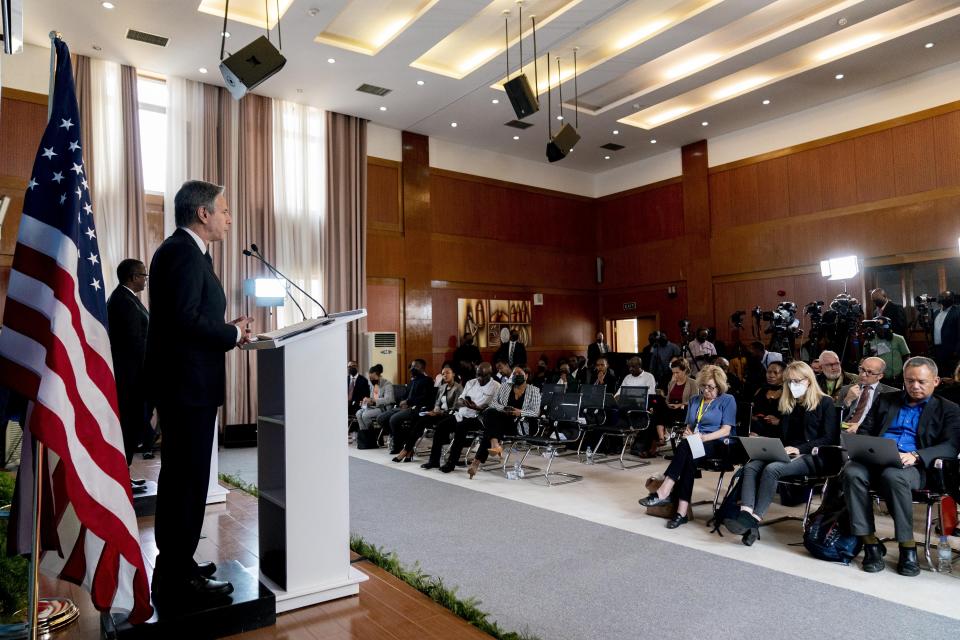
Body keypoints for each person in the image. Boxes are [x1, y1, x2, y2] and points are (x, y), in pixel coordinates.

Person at [147, 180, 253, 601]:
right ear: (203, 214)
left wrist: (230, 330)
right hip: (186, 386)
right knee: (185, 482)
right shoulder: (183, 255)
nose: (229, 218)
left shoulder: (187, 253)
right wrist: (231, 332)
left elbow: (189, 316)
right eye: (224, 210)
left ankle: (178, 563)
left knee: (185, 479)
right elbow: (185, 322)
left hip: (188, 385)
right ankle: (176, 576)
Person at [842, 356, 960, 576]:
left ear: (935, 381)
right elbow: (866, 431)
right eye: (909, 381)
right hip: (877, 459)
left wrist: (916, 455)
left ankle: (907, 546)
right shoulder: (886, 400)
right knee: (851, 472)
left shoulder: (949, 409)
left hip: (916, 467)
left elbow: (951, 446)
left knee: (893, 476)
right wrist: (865, 448)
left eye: (921, 382)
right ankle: (870, 544)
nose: (914, 386)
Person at [724, 361, 839, 545]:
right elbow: (782, 434)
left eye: (796, 381)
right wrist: (762, 438)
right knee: (751, 466)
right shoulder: (789, 404)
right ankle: (746, 513)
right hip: (787, 451)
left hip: (812, 455)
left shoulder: (825, 402)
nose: (792, 386)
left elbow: (829, 438)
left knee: (772, 469)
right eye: (788, 382)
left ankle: (755, 519)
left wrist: (800, 449)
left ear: (808, 381)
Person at [639, 365, 737, 528]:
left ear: (719, 386)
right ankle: (681, 512)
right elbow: (690, 426)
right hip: (694, 444)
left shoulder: (727, 400)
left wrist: (703, 437)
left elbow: (726, 430)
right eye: (703, 386)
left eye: (710, 387)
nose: (706, 391)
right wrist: (688, 433)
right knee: (688, 456)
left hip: (717, 442)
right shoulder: (694, 400)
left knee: (687, 448)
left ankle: (665, 491)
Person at [106, 258, 151, 470]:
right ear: (134, 277)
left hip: (132, 377)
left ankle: (124, 474)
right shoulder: (123, 301)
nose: (146, 280)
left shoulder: (126, 297)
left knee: (132, 428)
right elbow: (135, 344)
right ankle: (122, 475)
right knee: (128, 428)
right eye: (144, 275)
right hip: (130, 379)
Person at [421, 363, 500, 473]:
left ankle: (451, 463)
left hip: (478, 418)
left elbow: (494, 407)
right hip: (463, 413)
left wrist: (479, 407)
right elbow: (459, 400)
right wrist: (464, 402)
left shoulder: (496, 386)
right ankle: (434, 460)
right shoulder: (471, 383)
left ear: (490, 374)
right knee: (441, 426)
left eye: (483, 376)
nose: (480, 378)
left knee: (461, 428)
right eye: (478, 375)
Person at [466, 367, 541, 479]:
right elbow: (493, 404)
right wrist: (505, 409)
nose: (516, 375)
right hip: (503, 422)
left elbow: (535, 412)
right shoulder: (505, 387)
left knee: (490, 429)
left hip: (520, 424)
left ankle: (478, 460)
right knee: (489, 412)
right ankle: (495, 444)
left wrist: (519, 412)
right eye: (514, 374)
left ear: (526, 376)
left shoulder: (534, 390)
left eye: (519, 373)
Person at [392, 366, 462, 462]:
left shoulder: (458, 388)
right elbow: (437, 403)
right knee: (419, 420)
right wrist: (435, 410)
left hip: (450, 416)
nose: (445, 375)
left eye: (447, 373)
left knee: (424, 421)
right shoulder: (442, 387)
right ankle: (407, 449)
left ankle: (407, 450)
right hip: (439, 414)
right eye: (443, 374)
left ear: (453, 374)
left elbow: (456, 408)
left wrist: (439, 412)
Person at [378, 359, 434, 453]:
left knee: (393, 419)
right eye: (411, 366)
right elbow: (405, 394)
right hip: (404, 407)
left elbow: (424, 398)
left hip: (416, 408)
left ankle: (398, 445)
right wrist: (402, 401)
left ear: (421, 368)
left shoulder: (427, 381)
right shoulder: (413, 380)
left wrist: (408, 402)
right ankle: (401, 437)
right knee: (381, 418)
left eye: (414, 366)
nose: (411, 368)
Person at [838, 357, 898, 431]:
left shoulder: (891, 393)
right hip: (844, 430)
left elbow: (889, 423)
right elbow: (834, 418)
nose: (863, 375)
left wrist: (859, 426)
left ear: (880, 376)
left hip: (869, 432)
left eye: (869, 372)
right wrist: (847, 401)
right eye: (862, 369)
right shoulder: (846, 389)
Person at [653, 358, 699, 449]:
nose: (675, 375)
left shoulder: (692, 383)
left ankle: (660, 440)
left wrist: (681, 404)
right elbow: (668, 399)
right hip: (671, 408)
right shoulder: (672, 383)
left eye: (677, 372)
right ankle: (661, 438)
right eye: (673, 372)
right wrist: (667, 403)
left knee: (658, 413)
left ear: (684, 370)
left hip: (685, 409)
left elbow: (695, 401)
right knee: (657, 408)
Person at [863, 316, 910, 384]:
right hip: (878, 378)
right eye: (878, 329)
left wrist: (904, 373)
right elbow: (865, 358)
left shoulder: (899, 339)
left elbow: (906, 356)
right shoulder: (869, 340)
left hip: (897, 377)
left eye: (883, 328)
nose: (881, 331)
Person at [749, 361, 785, 438]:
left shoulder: (788, 393)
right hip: (755, 431)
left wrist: (780, 422)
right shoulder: (760, 390)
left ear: (784, 374)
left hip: (777, 433)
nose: (771, 375)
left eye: (776, 372)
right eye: (769, 372)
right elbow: (752, 408)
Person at [355, 364, 394, 430]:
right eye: (370, 378)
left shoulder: (387, 384)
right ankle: (364, 435)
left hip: (384, 408)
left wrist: (373, 401)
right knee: (358, 413)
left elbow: (389, 399)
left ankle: (371, 434)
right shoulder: (373, 385)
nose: (371, 380)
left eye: (373, 378)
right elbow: (373, 398)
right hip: (373, 407)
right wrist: (366, 402)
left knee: (365, 415)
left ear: (379, 376)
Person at [932, 291, 960, 376]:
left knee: (952, 376)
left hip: (952, 351)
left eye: (947, 297)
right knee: (941, 374)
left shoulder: (957, 312)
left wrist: (957, 350)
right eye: (942, 297)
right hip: (938, 349)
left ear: (952, 299)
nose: (944, 299)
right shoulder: (936, 312)